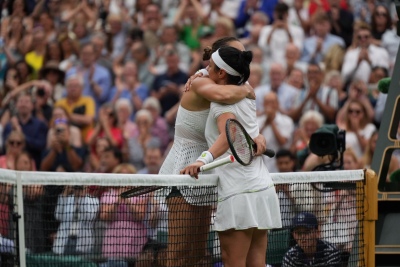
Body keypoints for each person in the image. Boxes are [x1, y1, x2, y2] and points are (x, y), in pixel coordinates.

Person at [158, 36, 267, 267]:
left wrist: (259, 137)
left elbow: (238, 129)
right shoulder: (204, 82)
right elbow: (223, 98)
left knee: (197, 255)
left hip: (206, 171)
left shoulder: (231, 85)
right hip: (183, 171)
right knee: (178, 255)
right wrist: (247, 89)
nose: (242, 59)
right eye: (236, 54)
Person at [181, 46, 281, 266]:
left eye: (211, 67)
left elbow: (228, 136)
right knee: (257, 263)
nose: (206, 69)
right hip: (262, 189)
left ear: (221, 73)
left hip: (239, 193)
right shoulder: (246, 89)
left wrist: (202, 160)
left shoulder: (221, 102)